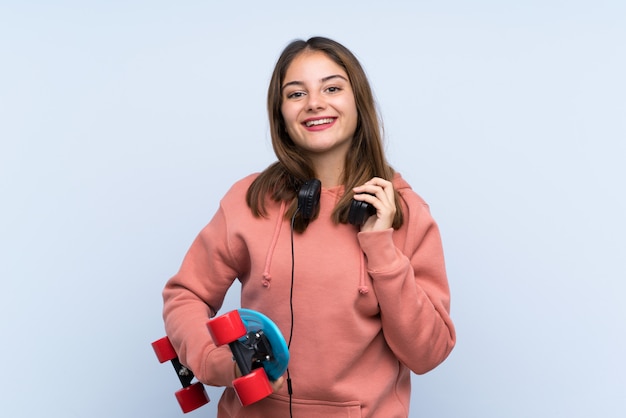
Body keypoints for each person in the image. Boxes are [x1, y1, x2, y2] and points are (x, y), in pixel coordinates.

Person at [162, 36, 456, 418]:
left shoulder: (405, 211)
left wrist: (380, 247)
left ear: (358, 103)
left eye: (332, 88)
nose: (315, 103)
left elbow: (428, 353)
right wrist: (217, 362)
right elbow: (185, 294)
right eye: (296, 93)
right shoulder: (248, 199)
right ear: (280, 112)